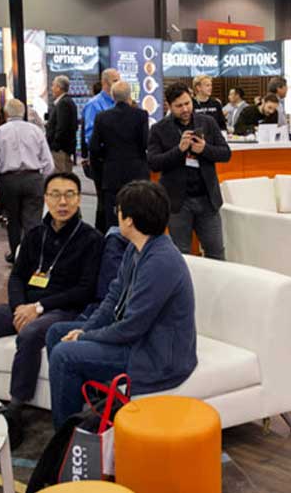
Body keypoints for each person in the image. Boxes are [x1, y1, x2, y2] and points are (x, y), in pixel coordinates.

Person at [0, 172, 103, 446]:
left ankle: (15, 409)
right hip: (25, 305)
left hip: (63, 310)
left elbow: (85, 290)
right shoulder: (36, 234)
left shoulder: (91, 239)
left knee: (30, 333)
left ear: (79, 199)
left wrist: (38, 307)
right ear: (46, 198)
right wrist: (20, 306)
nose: (63, 201)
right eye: (56, 194)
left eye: (70, 194)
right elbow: (17, 276)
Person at [45, 180, 197, 428]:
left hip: (154, 354)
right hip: (137, 340)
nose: (116, 214)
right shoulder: (135, 248)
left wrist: (86, 338)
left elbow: (131, 327)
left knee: (64, 354)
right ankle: (94, 411)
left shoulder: (160, 261)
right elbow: (113, 298)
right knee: (56, 333)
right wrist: (85, 331)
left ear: (129, 220)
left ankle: (68, 438)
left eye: (119, 210)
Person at [148, 82, 231, 259]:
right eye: (179, 106)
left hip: (207, 199)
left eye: (187, 103)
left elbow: (226, 154)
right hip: (178, 203)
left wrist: (205, 149)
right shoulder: (159, 129)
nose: (185, 109)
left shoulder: (207, 122)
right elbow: (154, 163)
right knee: (182, 255)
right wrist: (179, 150)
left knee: (216, 252)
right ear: (169, 106)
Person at [0, 98, 54, 263]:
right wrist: (43, 180)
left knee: (12, 221)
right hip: (33, 178)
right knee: (33, 221)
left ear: (6, 113)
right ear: (23, 113)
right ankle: (34, 256)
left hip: (8, 181)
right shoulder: (36, 131)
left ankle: (17, 255)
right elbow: (48, 163)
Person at [89, 80, 150, 228]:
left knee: (114, 220)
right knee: (139, 216)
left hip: (112, 174)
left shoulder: (102, 117)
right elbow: (145, 143)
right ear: (130, 95)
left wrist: (106, 158)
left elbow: (94, 147)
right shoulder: (141, 115)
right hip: (137, 173)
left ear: (112, 96)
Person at [82, 68, 121, 231]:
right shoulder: (94, 105)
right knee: (104, 204)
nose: (118, 84)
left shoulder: (120, 103)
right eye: (115, 81)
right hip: (103, 162)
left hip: (119, 162)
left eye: (119, 80)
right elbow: (90, 136)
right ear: (105, 83)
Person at [46, 75, 77, 174]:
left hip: (60, 150)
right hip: (64, 148)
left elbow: (62, 127)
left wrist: (55, 145)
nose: (52, 88)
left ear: (59, 88)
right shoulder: (67, 101)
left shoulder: (63, 103)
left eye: (53, 85)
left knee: (61, 177)